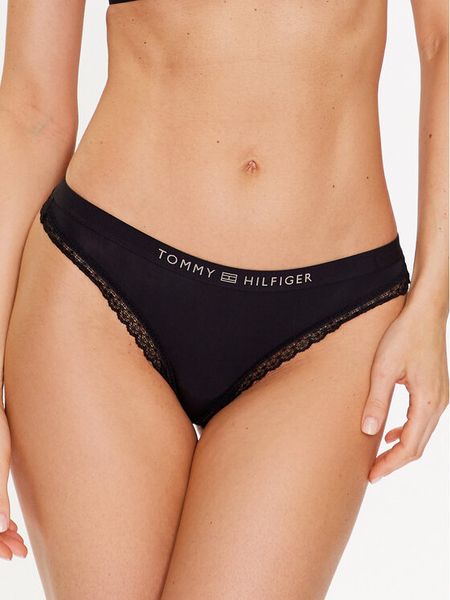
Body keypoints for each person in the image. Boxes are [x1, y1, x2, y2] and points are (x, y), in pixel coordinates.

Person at [0, 0, 448, 598]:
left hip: (332, 322)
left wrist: (433, 303)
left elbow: (444, 41)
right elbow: (30, 109)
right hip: (99, 290)